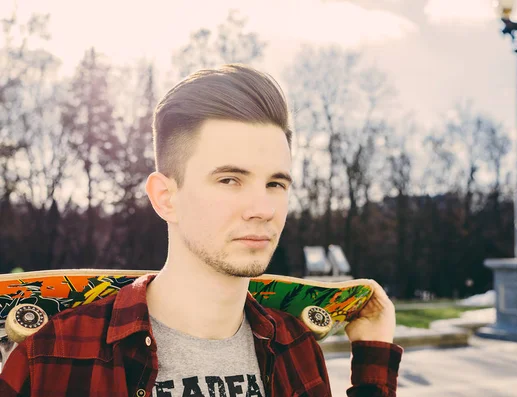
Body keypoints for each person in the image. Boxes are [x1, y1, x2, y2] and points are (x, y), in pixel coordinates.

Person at [0, 64, 402, 396]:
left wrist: (373, 353)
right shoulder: (53, 357)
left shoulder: (295, 349)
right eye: (229, 180)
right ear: (165, 197)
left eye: (275, 184)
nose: (262, 209)